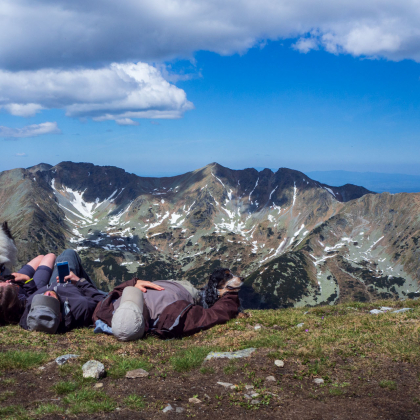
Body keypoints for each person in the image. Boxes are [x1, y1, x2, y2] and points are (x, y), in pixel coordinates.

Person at [93, 269, 243, 341]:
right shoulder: (172, 316)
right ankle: (217, 289)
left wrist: (132, 283)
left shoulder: (108, 310)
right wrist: (230, 293)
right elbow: (212, 315)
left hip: (168, 285)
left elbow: (107, 297)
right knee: (205, 298)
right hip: (185, 290)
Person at [19, 249, 105, 333]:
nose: (47, 293)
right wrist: (80, 281)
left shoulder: (28, 310)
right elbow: (103, 301)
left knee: (60, 259)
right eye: (50, 300)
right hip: (73, 285)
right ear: (60, 316)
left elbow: (30, 295)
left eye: (40, 299)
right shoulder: (82, 306)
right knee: (68, 254)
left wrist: (28, 281)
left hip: (53, 284)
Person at [0, 253, 56, 325]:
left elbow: (6, 284)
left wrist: (7, 280)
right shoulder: (20, 302)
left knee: (40, 257)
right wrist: (27, 279)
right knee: (50, 256)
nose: (7, 282)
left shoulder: (5, 295)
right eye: (9, 285)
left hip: (16, 280)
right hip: (32, 286)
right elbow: (31, 296)